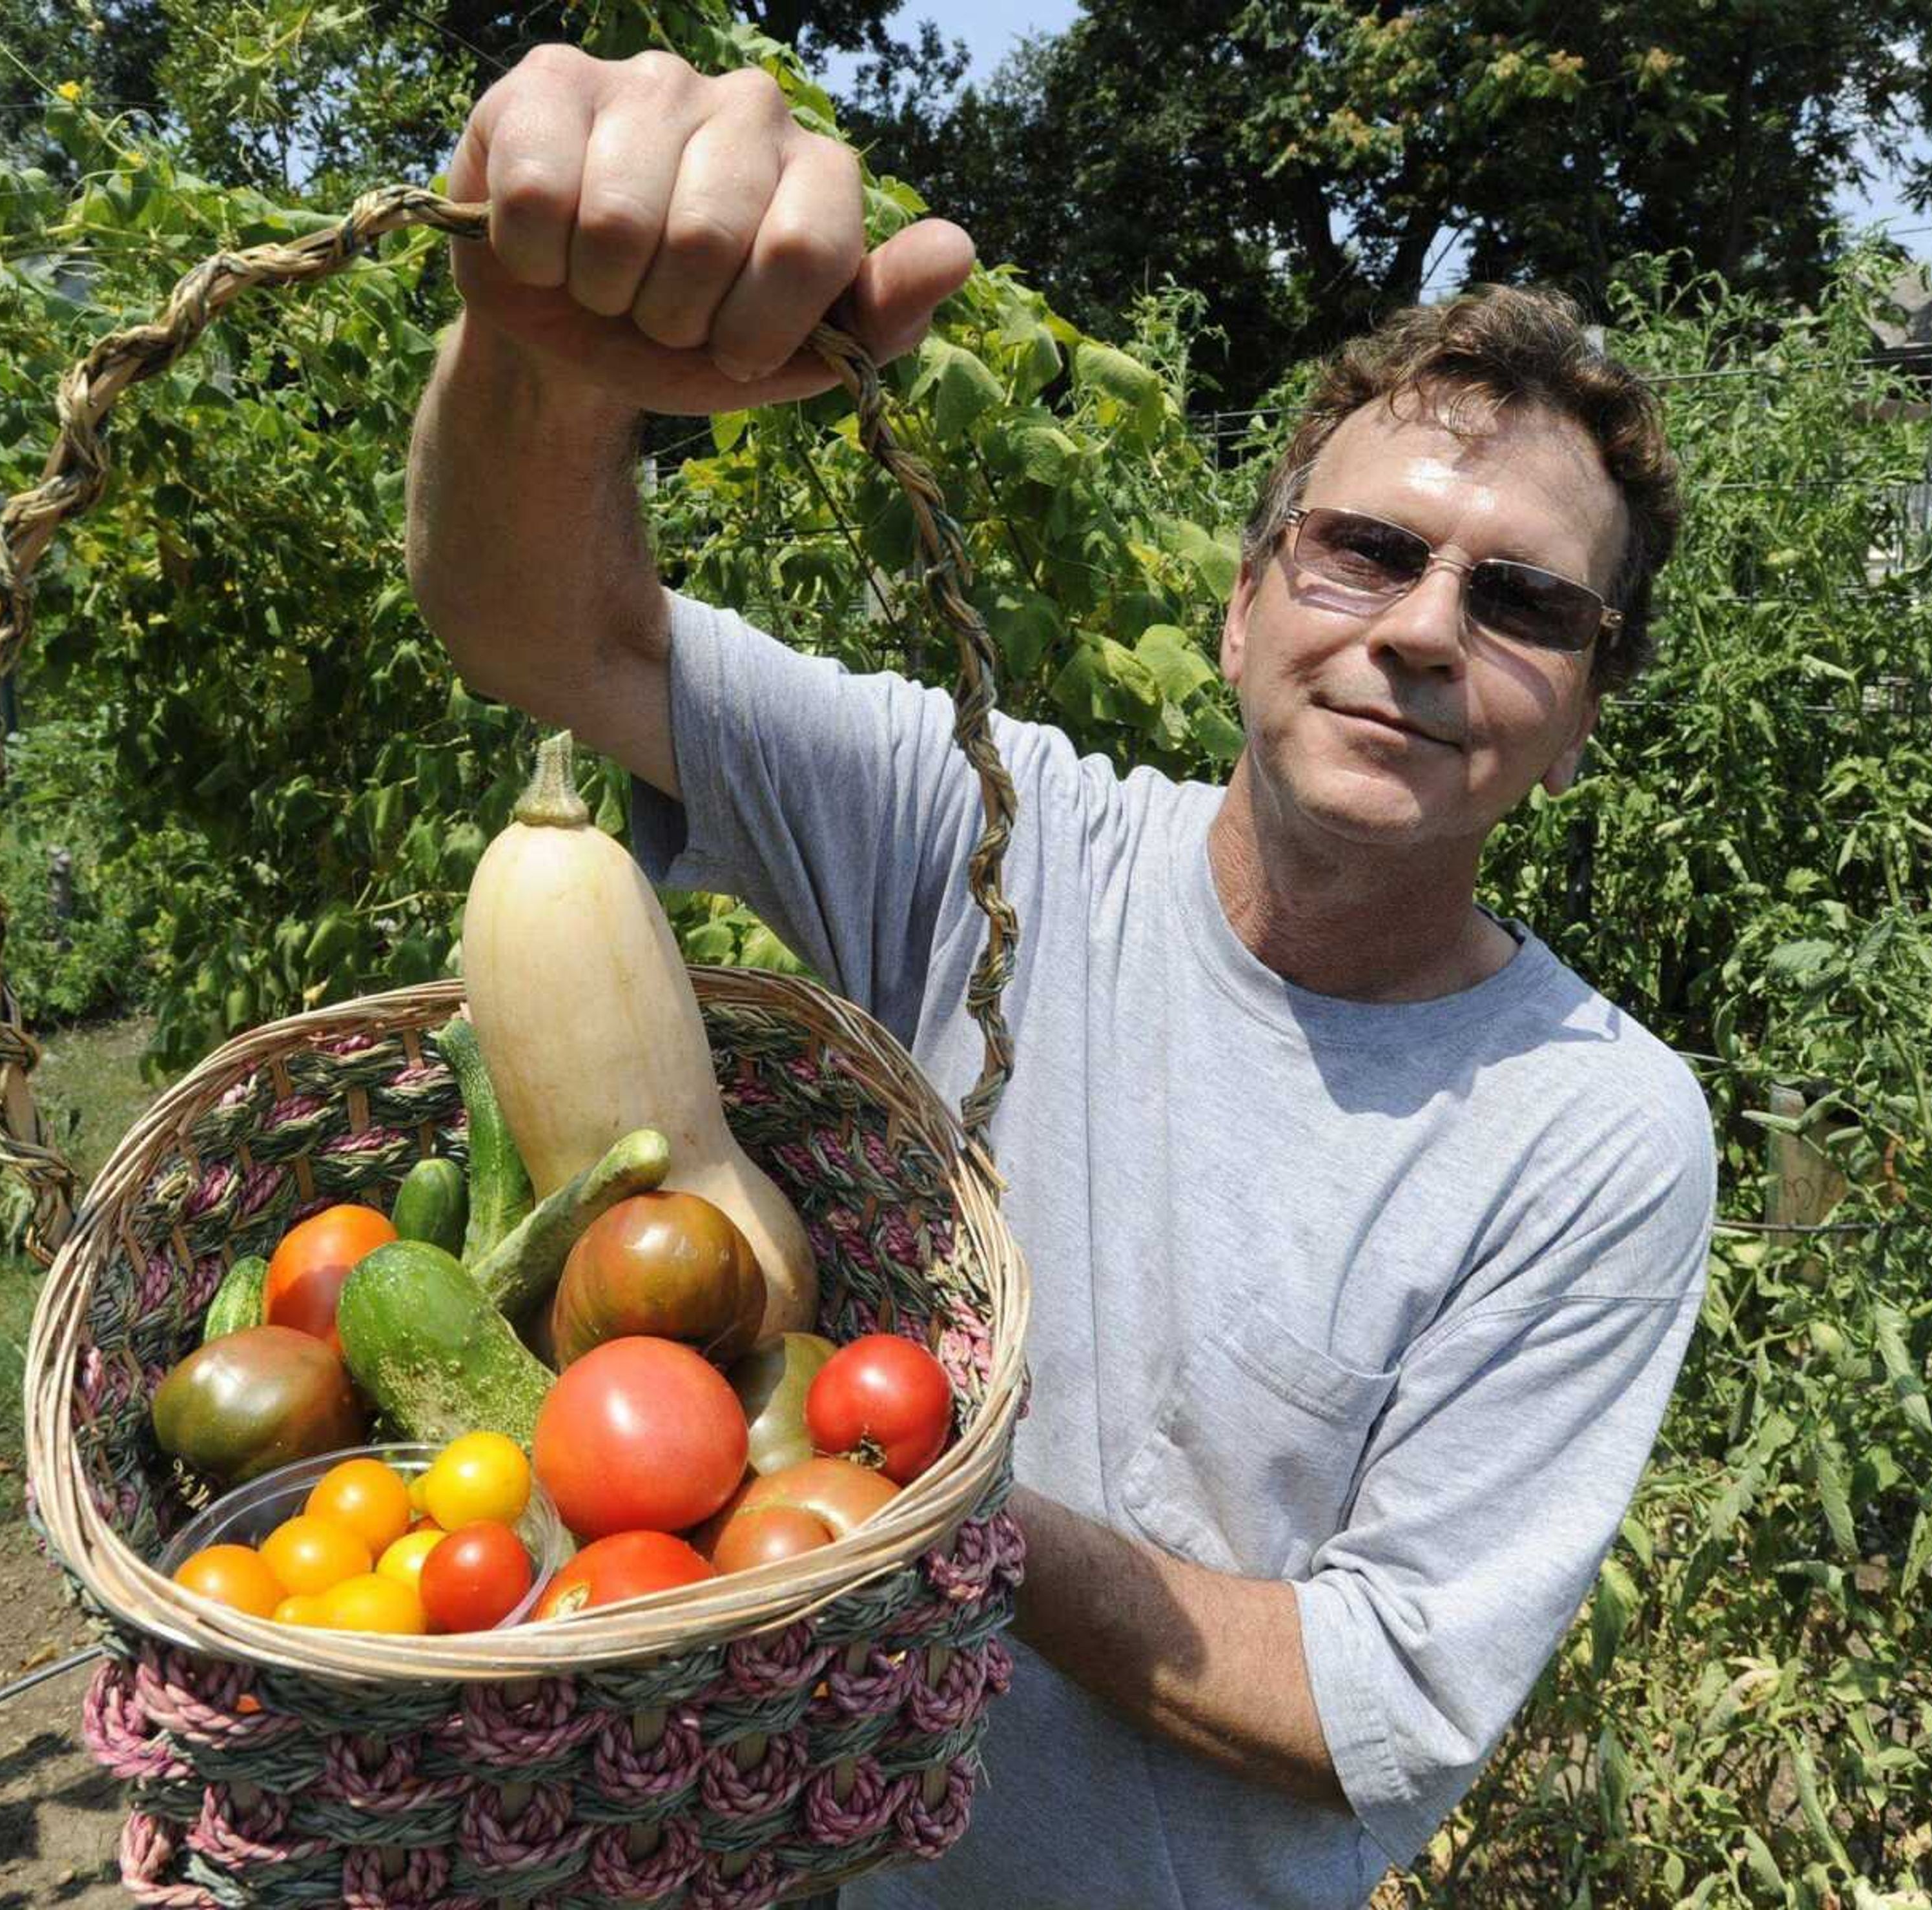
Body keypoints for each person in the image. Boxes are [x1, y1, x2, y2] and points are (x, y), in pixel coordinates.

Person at [404, 44, 1717, 1910]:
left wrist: (915, 1509)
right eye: (1366, 551)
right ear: (1245, 600)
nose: (1426, 628)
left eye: (1524, 606)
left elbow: (1383, 1706)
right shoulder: (995, 833)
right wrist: (545, 355)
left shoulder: (1592, 1130)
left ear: (1581, 719)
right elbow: (542, 622)